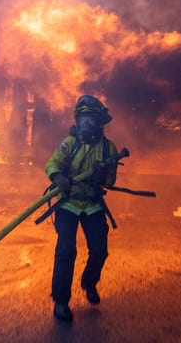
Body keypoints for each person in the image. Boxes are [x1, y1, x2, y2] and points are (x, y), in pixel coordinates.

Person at [45, 94, 119, 322]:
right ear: (77, 120)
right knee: (66, 252)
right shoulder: (69, 143)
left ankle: (89, 283)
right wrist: (58, 178)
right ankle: (60, 301)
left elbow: (110, 182)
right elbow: (53, 163)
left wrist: (102, 176)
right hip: (68, 204)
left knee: (99, 251)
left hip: (93, 205)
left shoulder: (108, 149)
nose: (86, 124)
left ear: (100, 122)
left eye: (91, 119)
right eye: (83, 119)